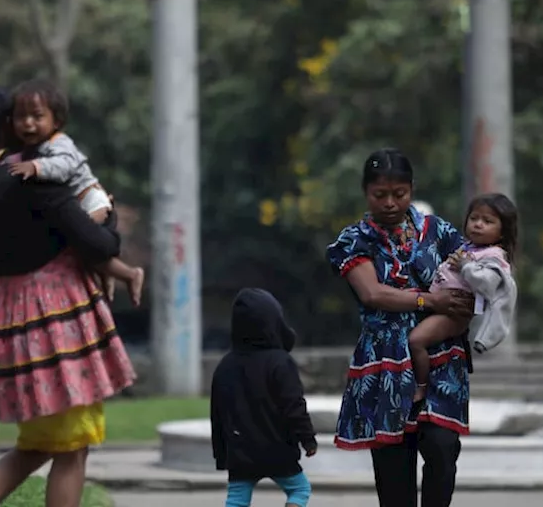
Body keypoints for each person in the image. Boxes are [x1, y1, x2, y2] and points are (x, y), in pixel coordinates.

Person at [0, 85, 139, 507]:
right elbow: (98, 245)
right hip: (56, 318)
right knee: (72, 448)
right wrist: (110, 215)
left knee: (37, 444)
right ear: (6, 126)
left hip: (13, 318)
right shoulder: (31, 179)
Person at [326, 148, 476, 507]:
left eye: (399, 194)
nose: (390, 203)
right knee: (394, 472)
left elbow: (472, 270)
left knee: (442, 447)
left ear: (411, 189)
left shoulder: (438, 231)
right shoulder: (354, 240)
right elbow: (373, 293)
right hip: (385, 363)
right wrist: (431, 301)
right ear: (366, 193)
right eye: (380, 195)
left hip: (440, 357)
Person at [5, 78, 145, 306]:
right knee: (82, 249)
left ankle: (129, 274)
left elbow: (64, 166)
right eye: (21, 117)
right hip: (80, 201)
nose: (28, 123)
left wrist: (36, 168)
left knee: (83, 239)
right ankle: (108, 274)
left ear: (56, 121)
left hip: (91, 200)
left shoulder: (59, 144)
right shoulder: (30, 148)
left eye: (37, 117)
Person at [211, 288, 317, 507]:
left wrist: (222, 454)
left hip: (240, 453)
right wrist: (307, 439)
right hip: (278, 450)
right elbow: (293, 406)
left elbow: (218, 414)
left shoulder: (225, 365)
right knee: (299, 489)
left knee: (236, 500)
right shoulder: (280, 362)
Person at [409, 193, 519, 402]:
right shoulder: (469, 247)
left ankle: (421, 386)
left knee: (416, 341)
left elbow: (487, 283)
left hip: (454, 312)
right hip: (439, 302)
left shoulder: (495, 257)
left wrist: (466, 267)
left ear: (503, 232)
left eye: (487, 221)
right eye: (474, 218)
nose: (478, 225)